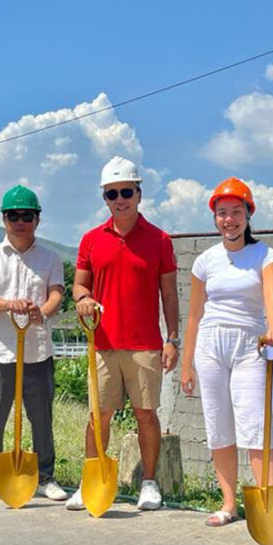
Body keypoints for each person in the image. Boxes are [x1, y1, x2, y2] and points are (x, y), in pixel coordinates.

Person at [68, 156, 179, 511]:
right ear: (105, 198)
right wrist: (84, 300)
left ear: (139, 193)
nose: (120, 199)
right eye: (112, 193)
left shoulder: (160, 240)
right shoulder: (90, 240)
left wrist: (172, 339)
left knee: (146, 414)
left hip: (145, 343)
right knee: (98, 416)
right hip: (101, 343)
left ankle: (149, 482)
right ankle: (91, 482)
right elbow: (79, 287)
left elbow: (169, 295)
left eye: (126, 191)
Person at [179, 178, 273, 527]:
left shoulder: (264, 255)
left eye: (236, 212)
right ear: (214, 218)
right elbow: (194, 314)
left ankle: (271, 505)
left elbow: (272, 298)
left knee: (255, 425)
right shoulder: (205, 261)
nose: (229, 220)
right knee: (219, 425)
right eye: (222, 213)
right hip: (210, 346)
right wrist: (187, 365)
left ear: (249, 214)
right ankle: (228, 504)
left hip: (249, 346)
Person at [0, 186, 67, 502]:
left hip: (38, 350)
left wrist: (44, 311)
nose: (20, 221)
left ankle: (45, 476)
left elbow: (56, 294)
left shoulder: (50, 257)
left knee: (41, 417)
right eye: (14, 215)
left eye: (27, 215)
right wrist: (9, 304)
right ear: (4, 219)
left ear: (37, 219)